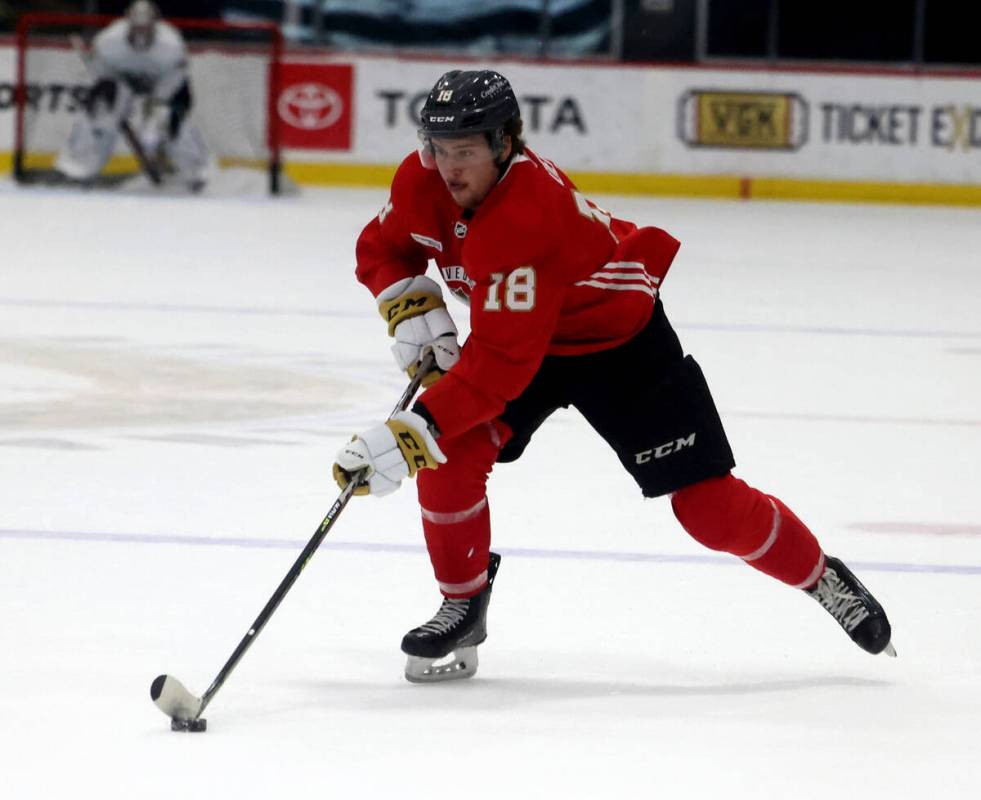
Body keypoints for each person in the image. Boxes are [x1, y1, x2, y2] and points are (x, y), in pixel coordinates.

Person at [333, 70, 895, 683]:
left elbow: (497, 371)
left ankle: (821, 577)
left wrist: (409, 434)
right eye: (439, 149)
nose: (448, 168)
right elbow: (383, 246)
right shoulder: (422, 180)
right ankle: (463, 602)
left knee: (709, 509)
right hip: (521, 337)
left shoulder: (526, 215)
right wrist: (413, 308)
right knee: (453, 455)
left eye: (464, 152)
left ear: (505, 144)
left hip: (617, 342)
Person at [56, 0, 209, 188]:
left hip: (160, 89)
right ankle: (79, 167)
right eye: (137, 27)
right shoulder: (108, 41)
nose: (141, 32)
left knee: (167, 121)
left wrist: (157, 102)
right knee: (101, 115)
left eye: (145, 28)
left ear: (155, 25)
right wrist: (118, 92)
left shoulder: (171, 44)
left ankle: (197, 172)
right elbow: (100, 75)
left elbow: (176, 79)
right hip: (121, 86)